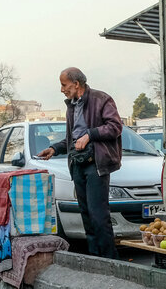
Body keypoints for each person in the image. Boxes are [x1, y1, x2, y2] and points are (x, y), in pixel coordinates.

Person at [36, 67, 122, 258]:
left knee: (98, 216)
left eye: (64, 85)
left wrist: (90, 135)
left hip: (96, 164)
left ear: (76, 84)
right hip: (78, 165)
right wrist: (55, 149)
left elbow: (115, 127)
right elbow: (71, 139)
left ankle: (111, 260)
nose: (61, 90)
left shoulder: (102, 99)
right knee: (87, 216)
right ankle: (94, 259)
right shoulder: (72, 107)